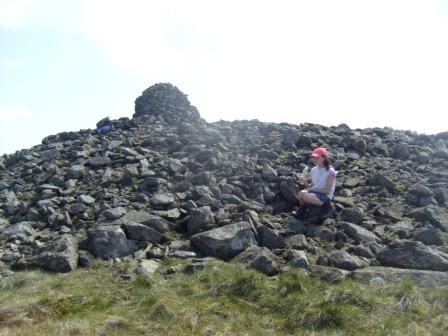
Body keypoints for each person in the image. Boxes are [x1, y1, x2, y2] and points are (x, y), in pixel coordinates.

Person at [294, 147, 337, 219]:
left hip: (325, 195)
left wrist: (313, 190)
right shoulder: (314, 170)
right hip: (316, 192)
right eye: (313, 157)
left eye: (317, 157)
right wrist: (305, 182)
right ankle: (302, 211)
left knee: (306, 196)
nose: (314, 159)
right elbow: (311, 186)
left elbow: (327, 191)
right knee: (300, 194)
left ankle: (326, 206)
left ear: (323, 158)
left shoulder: (330, 171)